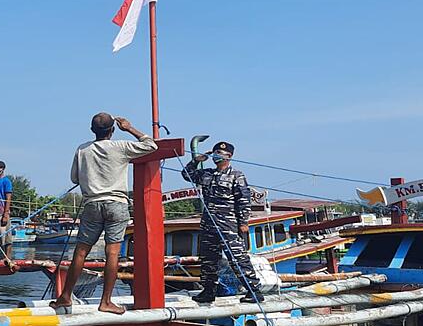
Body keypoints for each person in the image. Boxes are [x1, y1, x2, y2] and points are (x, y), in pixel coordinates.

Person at [50, 113, 158, 314]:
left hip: (92, 204)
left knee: (81, 252)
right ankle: (106, 301)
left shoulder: (82, 149)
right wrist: (130, 128)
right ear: (113, 130)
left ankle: (65, 296)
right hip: (116, 203)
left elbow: (75, 178)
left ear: (92, 130)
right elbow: (151, 145)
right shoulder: (121, 146)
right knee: (113, 253)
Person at [182, 141, 264, 304]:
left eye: (220, 152)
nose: (216, 155)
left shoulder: (236, 175)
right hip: (209, 224)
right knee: (208, 260)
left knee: (237, 258)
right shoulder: (206, 174)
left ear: (230, 156)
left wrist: (243, 222)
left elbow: (244, 200)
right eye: (214, 152)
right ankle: (208, 291)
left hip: (228, 225)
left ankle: (253, 291)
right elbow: (186, 174)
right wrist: (197, 160)